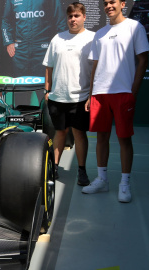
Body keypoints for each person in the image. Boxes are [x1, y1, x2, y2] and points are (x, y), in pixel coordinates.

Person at [82, 0, 149, 203]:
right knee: (101, 138)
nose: (108, 6)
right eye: (105, 3)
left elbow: (143, 59)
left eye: (112, 2)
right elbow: (95, 65)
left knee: (124, 139)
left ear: (122, 4)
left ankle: (124, 183)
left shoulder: (134, 27)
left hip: (123, 93)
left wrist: (133, 91)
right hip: (100, 94)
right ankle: (102, 180)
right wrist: (90, 94)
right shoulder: (100, 33)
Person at [42, 2, 94, 186]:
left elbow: (97, 69)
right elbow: (49, 66)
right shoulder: (57, 38)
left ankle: (81, 171)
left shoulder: (92, 39)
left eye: (77, 16)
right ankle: (54, 168)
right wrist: (47, 91)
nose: (73, 19)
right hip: (58, 97)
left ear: (84, 17)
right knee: (60, 132)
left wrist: (91, 95)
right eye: (70, 16)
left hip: (81, 98)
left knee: (79, 134)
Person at [2, 0, 67, 76]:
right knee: (21, 84)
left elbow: (61, 20)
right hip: (21, 51)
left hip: (42, 50)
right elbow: (6, 21)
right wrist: (8, 42)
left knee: (43, 83)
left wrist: (61, 43)